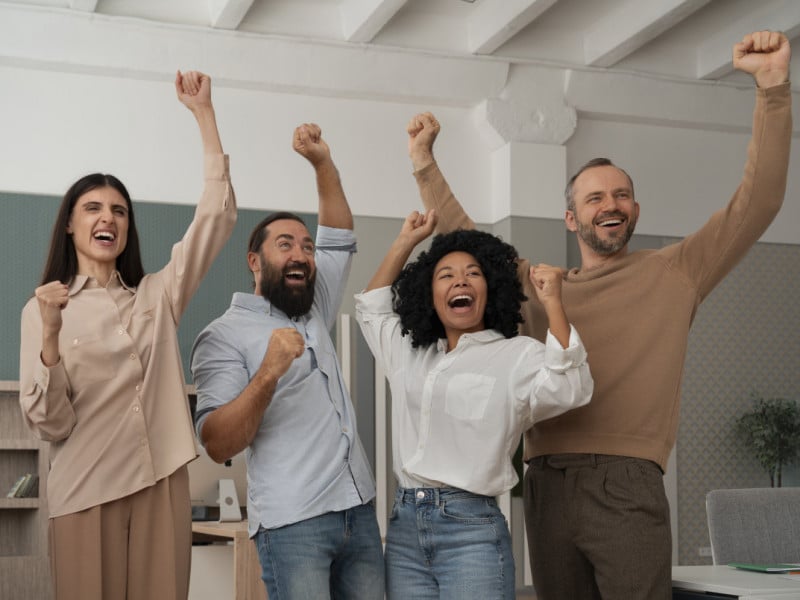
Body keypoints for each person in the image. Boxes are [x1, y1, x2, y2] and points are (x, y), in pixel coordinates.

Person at [405, 30, 792, 600]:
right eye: (594, 197)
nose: (609, 204)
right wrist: (424, 165)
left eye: (621, 195)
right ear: (571, 218)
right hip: (546, 483)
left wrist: (773, 90)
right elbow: (468, 238)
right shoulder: (542, 289)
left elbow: (758, 201)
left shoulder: (675, 271)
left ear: (635, 210)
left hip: (627, 483)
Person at [18, 71, 237, 600]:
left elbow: (216, 216)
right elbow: (52, 423)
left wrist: (204, 115)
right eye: (92, 208)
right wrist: (50, 335)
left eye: (118, 210)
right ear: (70, 225)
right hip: (85, 490)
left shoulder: (156, 296)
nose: (107, 217)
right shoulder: (43, 308)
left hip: (161, 483)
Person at [190, 123, 384, 600]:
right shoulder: (223, 335)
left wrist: (321, 162)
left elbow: (338, 230)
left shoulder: (314, 303)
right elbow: (216, 441)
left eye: (306, 246)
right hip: (294, 524)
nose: (300, 253)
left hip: (359, 512)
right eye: (285, 245)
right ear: (254, 262)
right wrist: (269, 372)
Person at [355, 211, 593, 599]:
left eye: (473, 273)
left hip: (471, 532)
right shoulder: (411, 354)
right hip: (403, 532)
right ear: (429, 294)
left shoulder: (516, 355)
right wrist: (404, 241)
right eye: (445, 275)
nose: (460, 280)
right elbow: (372, 308)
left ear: (491, 288)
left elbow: (573, 387)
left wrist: (552, 303)